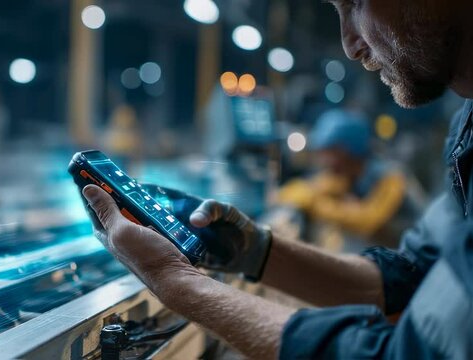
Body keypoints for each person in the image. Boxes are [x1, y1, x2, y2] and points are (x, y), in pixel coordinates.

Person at [79, 0, 473, 358]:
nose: (350, 44)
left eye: (355, 3)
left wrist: (177, 283)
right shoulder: (466, 129)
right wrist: (252, 250)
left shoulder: (391, 177)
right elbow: (409, 276)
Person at [276, 109, 418, 250]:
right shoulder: (346, 174)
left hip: (413, 259)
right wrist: (287, 194)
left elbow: (367, 222)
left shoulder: (391, 176)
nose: (324, 161)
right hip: (384, 251)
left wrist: (314, 203)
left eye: (330, 152)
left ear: (348, 150)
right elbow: (312, 187)